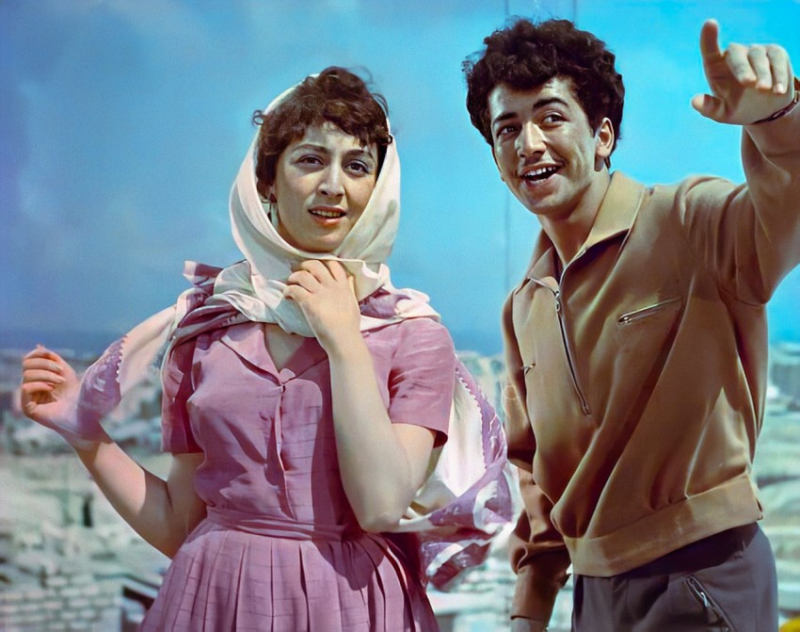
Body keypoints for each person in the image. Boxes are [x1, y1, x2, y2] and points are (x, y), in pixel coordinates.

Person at [20, 67, 511, 631]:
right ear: (267, 183)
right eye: (310, 160)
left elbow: (380, 503)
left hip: (350, 609)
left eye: (357, 166)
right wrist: (88, 438)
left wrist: (344, 339)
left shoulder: (413, 334)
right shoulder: (206, 327)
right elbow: (181, 525)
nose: (334, 185)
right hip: (212, 600)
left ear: (378, 190)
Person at [463, 16, 799, 632]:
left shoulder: (688, 220)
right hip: (595, 597)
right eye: (506, 128)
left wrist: (778, 122)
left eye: (551, 117)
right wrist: (531, 604)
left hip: (704, 574)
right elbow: (533, 468)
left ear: (603, 136)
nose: (528, 143)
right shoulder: (523, 306)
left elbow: (786, 209)